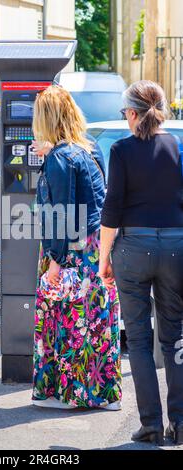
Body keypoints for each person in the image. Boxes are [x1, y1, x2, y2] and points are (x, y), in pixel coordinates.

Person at [100, 80, 183, 446]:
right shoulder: (179, 149)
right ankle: (179, 424)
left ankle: (150, 425)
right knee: (175, 336)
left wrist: (104, 259)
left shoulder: (121, 150)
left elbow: (112, 209)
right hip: (176, 248)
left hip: (133, 248)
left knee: (137, 337)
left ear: (132, 114)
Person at [31, 85, 122, 410]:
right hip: (98, 246)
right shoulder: (88, 147)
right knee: (97, 323)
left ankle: (66, 395)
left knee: (66, 320)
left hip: (72, 249)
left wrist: (55, 261)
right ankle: (104, 395)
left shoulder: (60, 158)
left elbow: (62, 214)